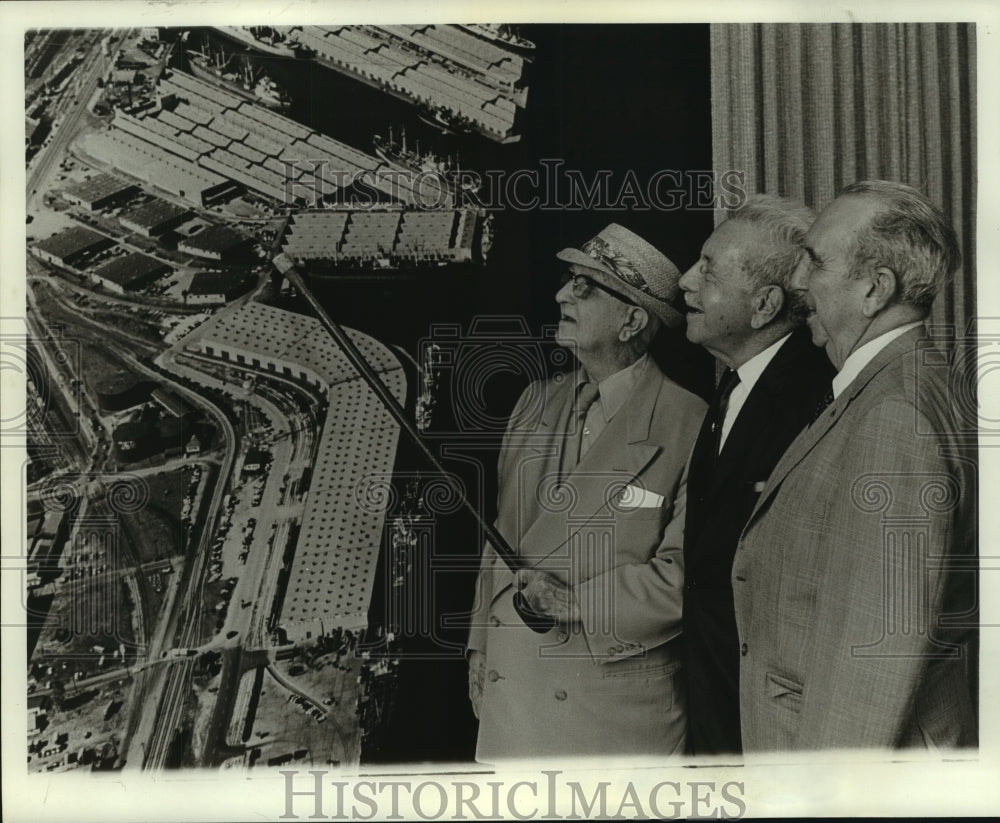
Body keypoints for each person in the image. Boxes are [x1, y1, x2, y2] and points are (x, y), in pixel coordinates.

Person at [733, 180, 978, 750]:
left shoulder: (896, 415)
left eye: (815, 262)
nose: (797, 282)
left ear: (874, 289)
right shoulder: (900, 388)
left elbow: (873, 653)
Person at [467, 223, 707, 761]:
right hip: (514, 694)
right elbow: (500, 538)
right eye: (568, 281)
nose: (561, 295)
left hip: (612, 717)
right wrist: (481, 645)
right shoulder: (535, 401)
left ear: (632, 320)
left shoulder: (690, 423)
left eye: (586, 287)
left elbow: (686, 576)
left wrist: (577, 603)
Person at [677, 194, 835, 755]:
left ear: (764, 304)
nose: (684, 281)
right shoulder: (737, 382)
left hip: (772, 728)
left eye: (708, 269)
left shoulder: (816, 398)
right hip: (718, 707)